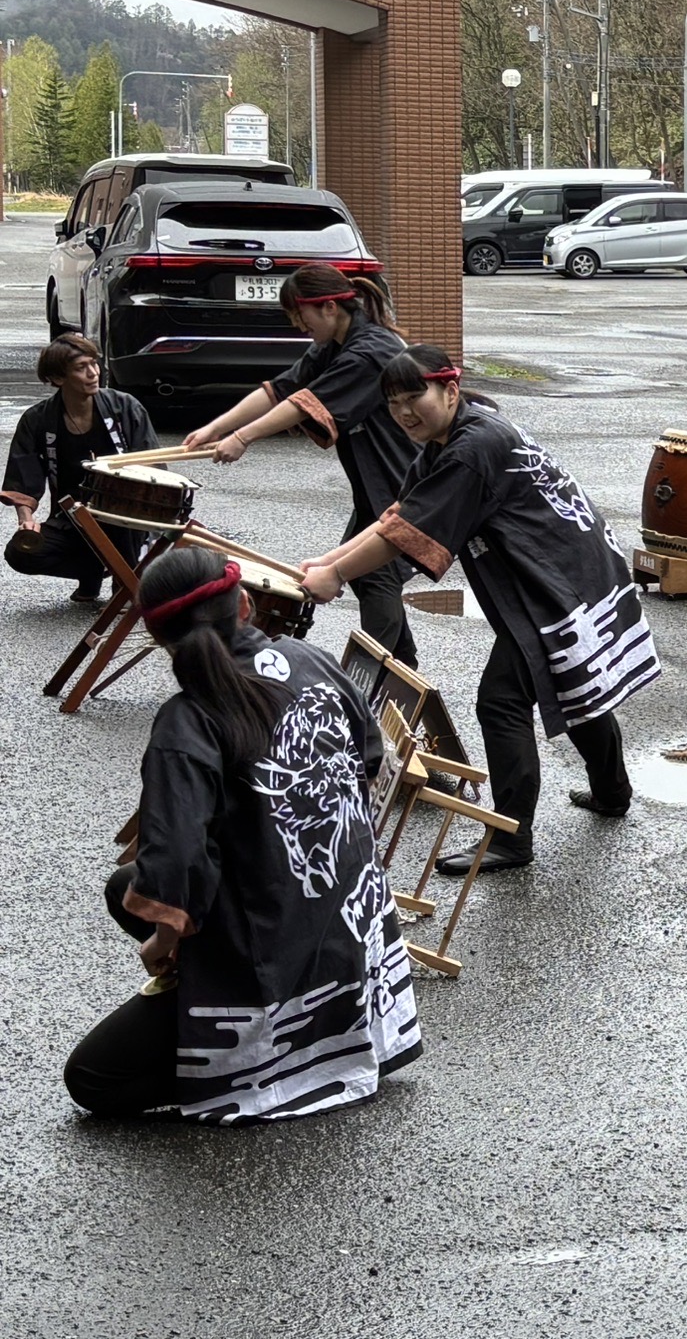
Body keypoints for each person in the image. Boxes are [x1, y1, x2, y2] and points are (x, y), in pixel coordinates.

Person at [63, 544, 422, 1121]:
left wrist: (163, 944)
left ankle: (269, 1059)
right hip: (352, 916)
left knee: (92, 1080)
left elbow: (179, 858)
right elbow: (368, 757)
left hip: (277, 944)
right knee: (123, 887)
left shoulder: (188, 719)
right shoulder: (312, 658)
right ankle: (341, 1025)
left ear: (161, 641)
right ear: (247, 606)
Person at [296, 347, 657, 874]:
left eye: (413, 397)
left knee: (501, 702)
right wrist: (330, 560)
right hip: (568, 570)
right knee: (571, 681)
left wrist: (335, 576)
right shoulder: (458, 431)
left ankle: (512, 838)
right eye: (393, 402)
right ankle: (612, 792)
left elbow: (408, 536)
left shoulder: (472, 447)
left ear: (450, 389)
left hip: (559, 582)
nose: (403, 412)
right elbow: (400, 515)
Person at [182, 265, 420, 664]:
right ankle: (401, 671)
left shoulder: (371, 350)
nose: (297, 326)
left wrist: (243, 438)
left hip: (404, 485)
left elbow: (304, 405)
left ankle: (375, 682)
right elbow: (282, 390)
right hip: (376, 487)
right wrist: (215, 427)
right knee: (369, 577)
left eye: (299, 316)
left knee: (375, 576)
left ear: (328, 307)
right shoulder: (337, 344)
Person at [4, 333, 158, 602]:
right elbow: (23, 477)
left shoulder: (125, 407)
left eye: (94, 363)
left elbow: (153, 466)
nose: (92, 373)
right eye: (80, 368)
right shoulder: (38, 419)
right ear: (59, 378)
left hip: (126, 517)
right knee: (21, 554)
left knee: (128, 533)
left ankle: (124, 578)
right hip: (72, 520)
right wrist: (25, 521)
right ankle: (92, 571)